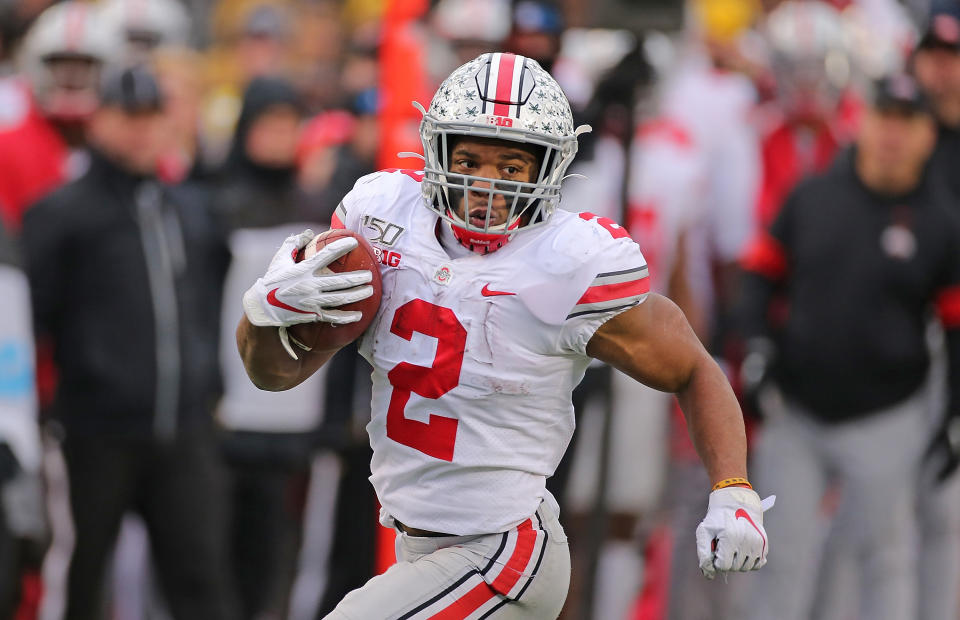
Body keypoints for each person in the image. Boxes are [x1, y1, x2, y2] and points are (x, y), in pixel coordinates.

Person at [237, 53, 772, 619]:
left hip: (501, 554)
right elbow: (273, 375)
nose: (485, 185)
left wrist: (733, 489)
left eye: (511, 168)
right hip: (421, 550)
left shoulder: (568, 263)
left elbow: (691, 366)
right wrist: (264, 313)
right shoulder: (382, 219)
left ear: (547, 171)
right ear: (437, 153)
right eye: (468, 160)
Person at [738, 73, 960, 620]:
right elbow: (760, 276)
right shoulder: (813, 195)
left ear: (928, 134)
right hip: (797, 407)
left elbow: (956, 326)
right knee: (777, 556)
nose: (892, 134)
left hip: (887, 415)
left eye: (907, 122)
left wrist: (952, 411)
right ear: (862, 121)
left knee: (882, 559)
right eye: (884, 117)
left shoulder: (942, 221)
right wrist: (755, 348)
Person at [21, 65, 234, 620]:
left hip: (183, 431)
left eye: (150, 117)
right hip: (94, 433)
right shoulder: (60, 213)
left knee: (201, 582)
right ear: (101, 120)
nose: (140, 132)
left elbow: (212, 303)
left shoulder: (187, 208)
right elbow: (27, 321)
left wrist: (210, 384)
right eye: (127, 117)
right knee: (83, 579)